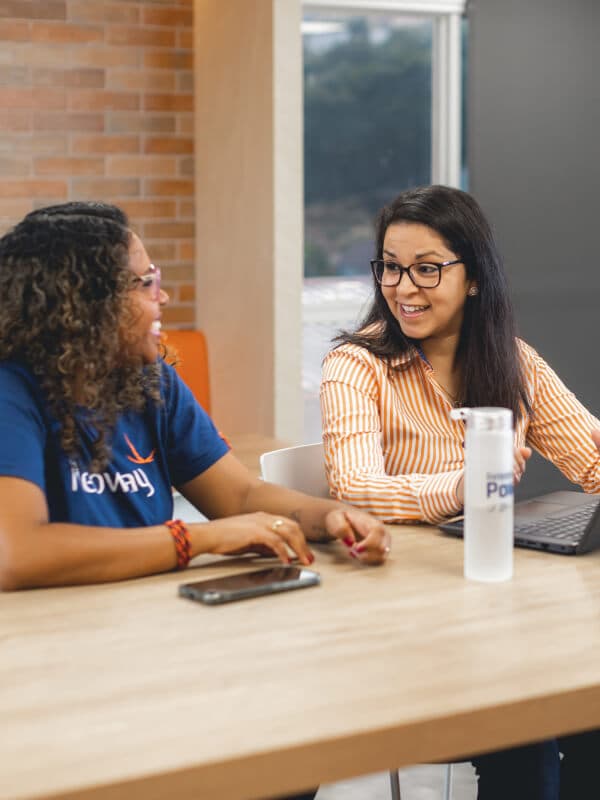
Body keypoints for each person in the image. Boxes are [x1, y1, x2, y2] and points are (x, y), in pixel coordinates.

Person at [319, 184, 600, 799]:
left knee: (589, 709)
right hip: (405, 616)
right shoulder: (356, 363)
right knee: (527, 736)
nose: (404, 287)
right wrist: (463, 486)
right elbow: (355, 487)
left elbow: (592, 455)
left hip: (500, 605)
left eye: (427, 269)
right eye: (391, 267)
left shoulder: (512, 362)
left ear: (474, 278)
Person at [0, 200, 390, 598]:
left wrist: (331, 516)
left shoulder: (150, 383)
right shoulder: (10, 392)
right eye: (147, 282)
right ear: (87, 302)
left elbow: (241, 496)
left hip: (140, 618)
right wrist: (195, 539)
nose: (163, 296)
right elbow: (17, 554)